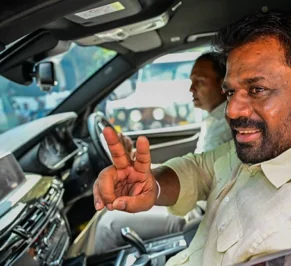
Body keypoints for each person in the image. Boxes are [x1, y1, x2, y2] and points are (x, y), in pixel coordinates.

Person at [93, 11, 291, 265]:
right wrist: (153, 185)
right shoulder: (274, 147)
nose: (231, 111)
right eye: (230, 92)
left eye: (257, 89)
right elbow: (203, 169)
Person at [79, 52, 232, 255]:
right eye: (191, 81)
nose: (191, 88)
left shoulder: (225, 126)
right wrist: (144, 172)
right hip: (193, 201)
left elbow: (205, 178)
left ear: (223, 85)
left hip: (198, 211)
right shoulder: (214, 119)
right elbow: (199, 168)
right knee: (109, 212)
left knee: (109, 223)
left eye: (200, 82)